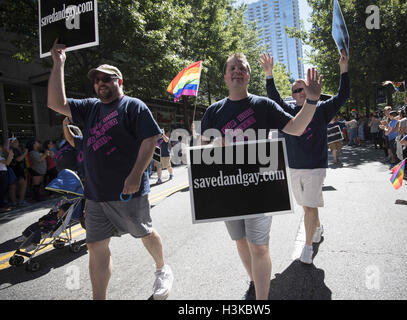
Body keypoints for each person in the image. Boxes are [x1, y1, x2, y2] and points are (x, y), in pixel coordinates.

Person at [47, 39, 173, 300]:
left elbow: (150, 139)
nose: (101, 82)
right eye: (97, 80)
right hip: (95, 195)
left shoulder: (133, 106)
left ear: (119, 82)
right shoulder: (90, 107)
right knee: (95, 246)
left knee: (145, 233)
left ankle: (162, 269)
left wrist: (136, 174)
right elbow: (56, 103)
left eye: (107, 78)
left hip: (129, 191)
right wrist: (58, 63)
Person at [201, 52, 320, 300]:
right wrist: (214, 145)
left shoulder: (264, 105)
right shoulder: (213, 111)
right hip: (225, 190)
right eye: (232, 68)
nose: (237, 71)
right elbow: (200, 151)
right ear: (225, 76)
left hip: (259, 189)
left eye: (242, 67)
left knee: (258, 245)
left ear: (248, 75)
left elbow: (297, 128)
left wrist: (312, 101)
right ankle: (255, 280)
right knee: (241, 241)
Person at [261, 50, 349, 265]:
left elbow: (343, 95)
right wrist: (269, 74)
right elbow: (273, 98)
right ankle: (317, 228)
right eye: (297, 89)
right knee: (307, 205)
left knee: (309, 206)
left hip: (315, 167)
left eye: (304, 88)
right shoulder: (288, 111)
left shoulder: (322, 109)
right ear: (293, 95)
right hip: (293, 167)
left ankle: (308, 246)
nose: (302, 91)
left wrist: (344, 70)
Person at [8, 138, 29, 206]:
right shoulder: (12, 150)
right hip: (15, 169)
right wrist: (25, 152)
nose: (17, 143)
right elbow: (18, 159)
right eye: (14, 142)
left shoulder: (18, 149)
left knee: (20, 185)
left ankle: (19, 201)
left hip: (20, 169)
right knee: (15, 186)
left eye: (17, 141)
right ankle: (18, 201)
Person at [0, 141, 14, 210]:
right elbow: (7, 163)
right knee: (2, 190)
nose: (2, 148)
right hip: (1, 173)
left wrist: (10, 154)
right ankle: (1, 206)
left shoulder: (0, 155)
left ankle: (2, 205)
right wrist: (10, 154)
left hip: (3, 173)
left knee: (3, 189)